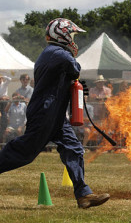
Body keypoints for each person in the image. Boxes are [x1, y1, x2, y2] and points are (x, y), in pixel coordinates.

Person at [0, 18, 110, 208]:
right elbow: (75, 69)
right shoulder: (57, 53)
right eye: (73, 35)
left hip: (55, 113)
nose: (74, 40)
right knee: (25, 152)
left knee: (74, 149)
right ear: (63, 34)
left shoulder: (54, 53)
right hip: (45, 111)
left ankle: (84, 195)